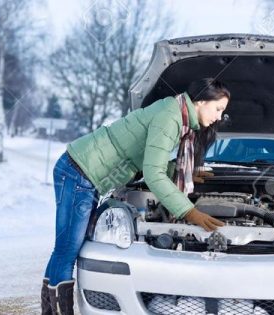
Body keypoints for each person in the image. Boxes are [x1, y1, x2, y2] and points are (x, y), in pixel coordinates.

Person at [41, 78, 231, 314]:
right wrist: (188, 211)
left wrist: (180, 171)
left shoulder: (174, 111)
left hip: (81, 171)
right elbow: (153, 174)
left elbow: (147, 156)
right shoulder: (170, 118)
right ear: (201, 101)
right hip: (79, 171)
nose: (220, 116)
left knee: (63, 250)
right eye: (218, 109)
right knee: (68, 251)